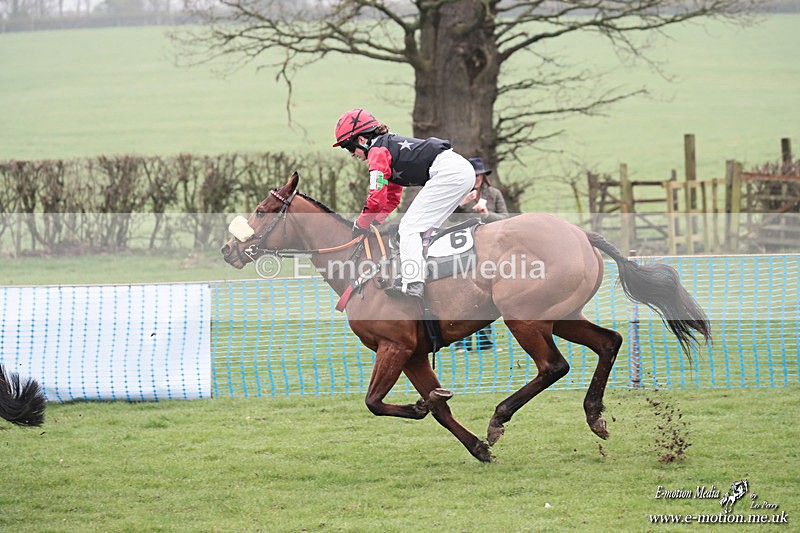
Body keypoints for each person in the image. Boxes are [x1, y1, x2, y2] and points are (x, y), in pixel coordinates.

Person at [333, 108, 476, 300]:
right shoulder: (386, 148)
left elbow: (375, 198)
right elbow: (392, 198)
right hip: (459, 170)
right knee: (423, 229)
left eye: (349, 148)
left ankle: (413, 283)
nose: (351, 154)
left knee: (409, 228)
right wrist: (374, 222)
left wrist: (361, 224)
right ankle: (437, 276)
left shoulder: (377, 152)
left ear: (361, 139)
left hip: (450, 173)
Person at [452, 156, 509, 352]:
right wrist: (462, 204)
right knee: (463, 294)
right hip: (464, 248)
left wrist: (486, 215)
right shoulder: (460, 193)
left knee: (485, 293)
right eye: (473, 175)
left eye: (479, 175)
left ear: (484, 176)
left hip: (490, 249)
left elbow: (505, 218)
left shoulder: (494, 194)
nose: (476, 178)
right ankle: (461, 342)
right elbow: (450, 220)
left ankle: (485, 342)